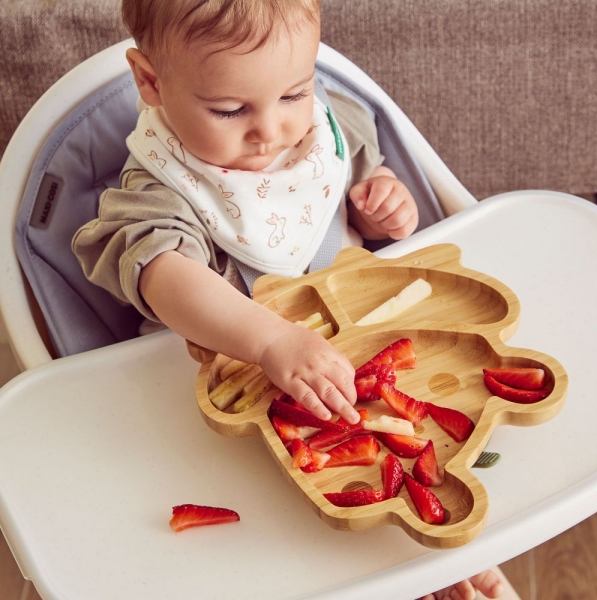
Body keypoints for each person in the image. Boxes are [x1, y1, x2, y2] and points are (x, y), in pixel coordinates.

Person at [72, 2, 514, 598]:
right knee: (307, 540)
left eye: (294, 94)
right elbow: (161, 271)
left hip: (364, 356)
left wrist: (383, 202)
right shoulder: (159, 189)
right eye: (230, 109)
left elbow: (367, 186)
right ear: (150, 82)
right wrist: (270, 339)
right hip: (245, 391)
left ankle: (451, 562)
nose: (271, 130)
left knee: (419, 473)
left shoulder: (325, 130)